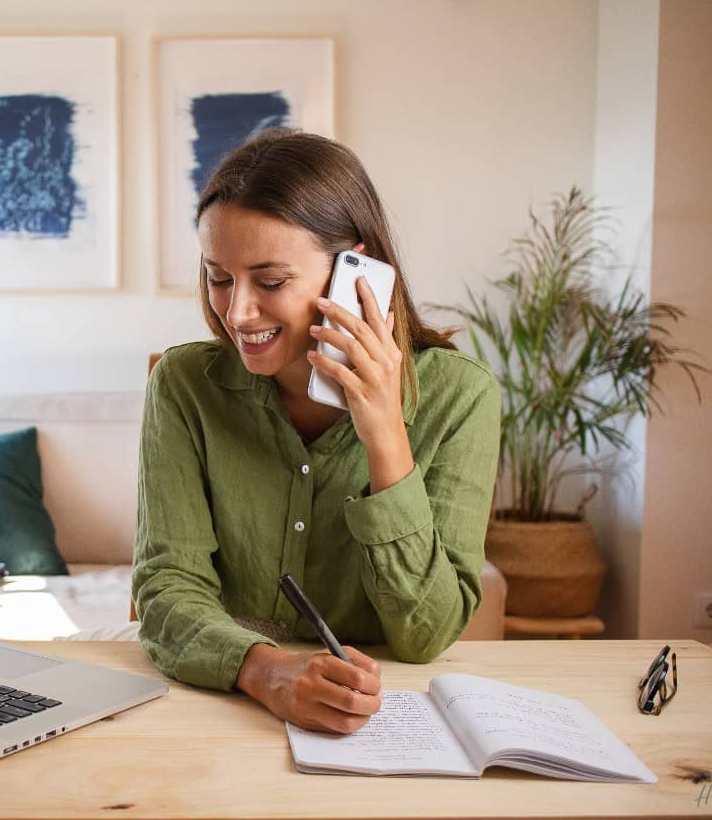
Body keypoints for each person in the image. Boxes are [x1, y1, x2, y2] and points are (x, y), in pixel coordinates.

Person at [132, 128, 502, 736]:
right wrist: (267, 673)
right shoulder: (184, 385)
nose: (236, 311)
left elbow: (426, 635)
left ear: (352, 273)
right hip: (221, 708)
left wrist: (383, 432)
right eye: (218, 276)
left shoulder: (460, 397)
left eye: (270, 281)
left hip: (385, 721)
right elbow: (167, 588)